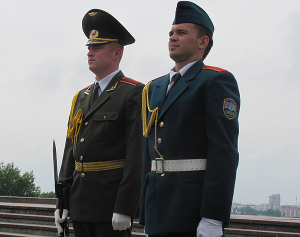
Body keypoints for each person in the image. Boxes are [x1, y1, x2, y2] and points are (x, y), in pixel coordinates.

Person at [139, 1, 240, 237]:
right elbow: (148, 151)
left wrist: (213, 217)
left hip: (192, 210)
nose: (172, 38)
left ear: (202, 42)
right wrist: (145, 211)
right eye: (171, 33)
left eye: (181, 32)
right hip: (157, 209)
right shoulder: (154, 87)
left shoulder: (215, 81)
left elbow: (224, 151)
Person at [54, 8, 144, 237]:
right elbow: (70, 152)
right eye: (89, 47)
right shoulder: (80, 98)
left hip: (111, 205)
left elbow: (137, 155)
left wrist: (126, 206)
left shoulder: (133, 93)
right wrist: (62, 201)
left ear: (117, 53)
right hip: (80, 204)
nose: (90, 52)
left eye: (97, 47)